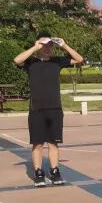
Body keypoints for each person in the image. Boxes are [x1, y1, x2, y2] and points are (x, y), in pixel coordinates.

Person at [13, 32, 85, 187]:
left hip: (55, 109)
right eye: (44, 45)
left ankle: (54, 171)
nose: (47, 48)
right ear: (38, 44)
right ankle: (38, 172)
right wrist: (35, 47)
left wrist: (64, 45)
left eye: (49, 45)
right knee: (37, 144)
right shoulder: (31, 62)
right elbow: (17, 60)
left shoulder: (57, 61)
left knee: (53, 143)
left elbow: (79, 59)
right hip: (37, 109)